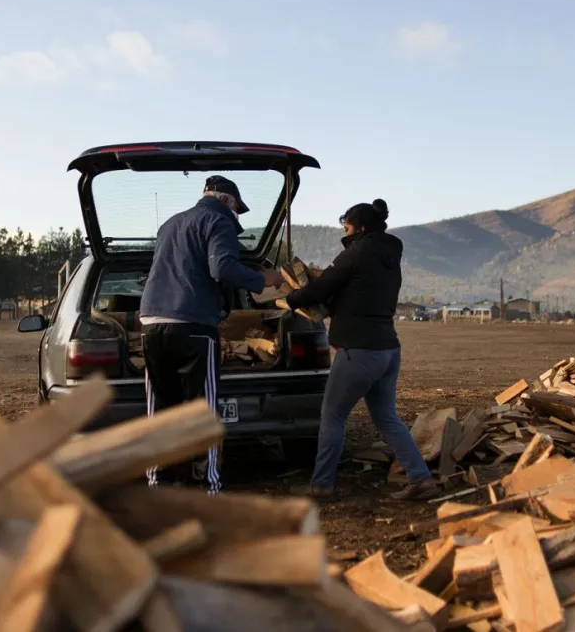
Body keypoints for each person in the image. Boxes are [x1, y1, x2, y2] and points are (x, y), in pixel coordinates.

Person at [286, 199, 439, 501]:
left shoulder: (355, 254)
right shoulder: (390, 257)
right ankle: (421, 478)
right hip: (388, 349)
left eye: (346, 227)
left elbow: (320, 289)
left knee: (332, 416)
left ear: (360, 227)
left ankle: (321, 485)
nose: (344, 233)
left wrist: (291, 299)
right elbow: (356, 293)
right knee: (387, 418)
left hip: (358, 351)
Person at [139, 175, 284, 494]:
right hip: (192, 324)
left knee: (159, 402)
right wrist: (264, 280)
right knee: (203, 405)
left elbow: (176, 271)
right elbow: (222, 269)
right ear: (226, 201)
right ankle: (209, 484)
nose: (236, 218)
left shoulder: (171, 224)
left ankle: (156, 479)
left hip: (151, 321)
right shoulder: (219, 221)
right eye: (237, 210)